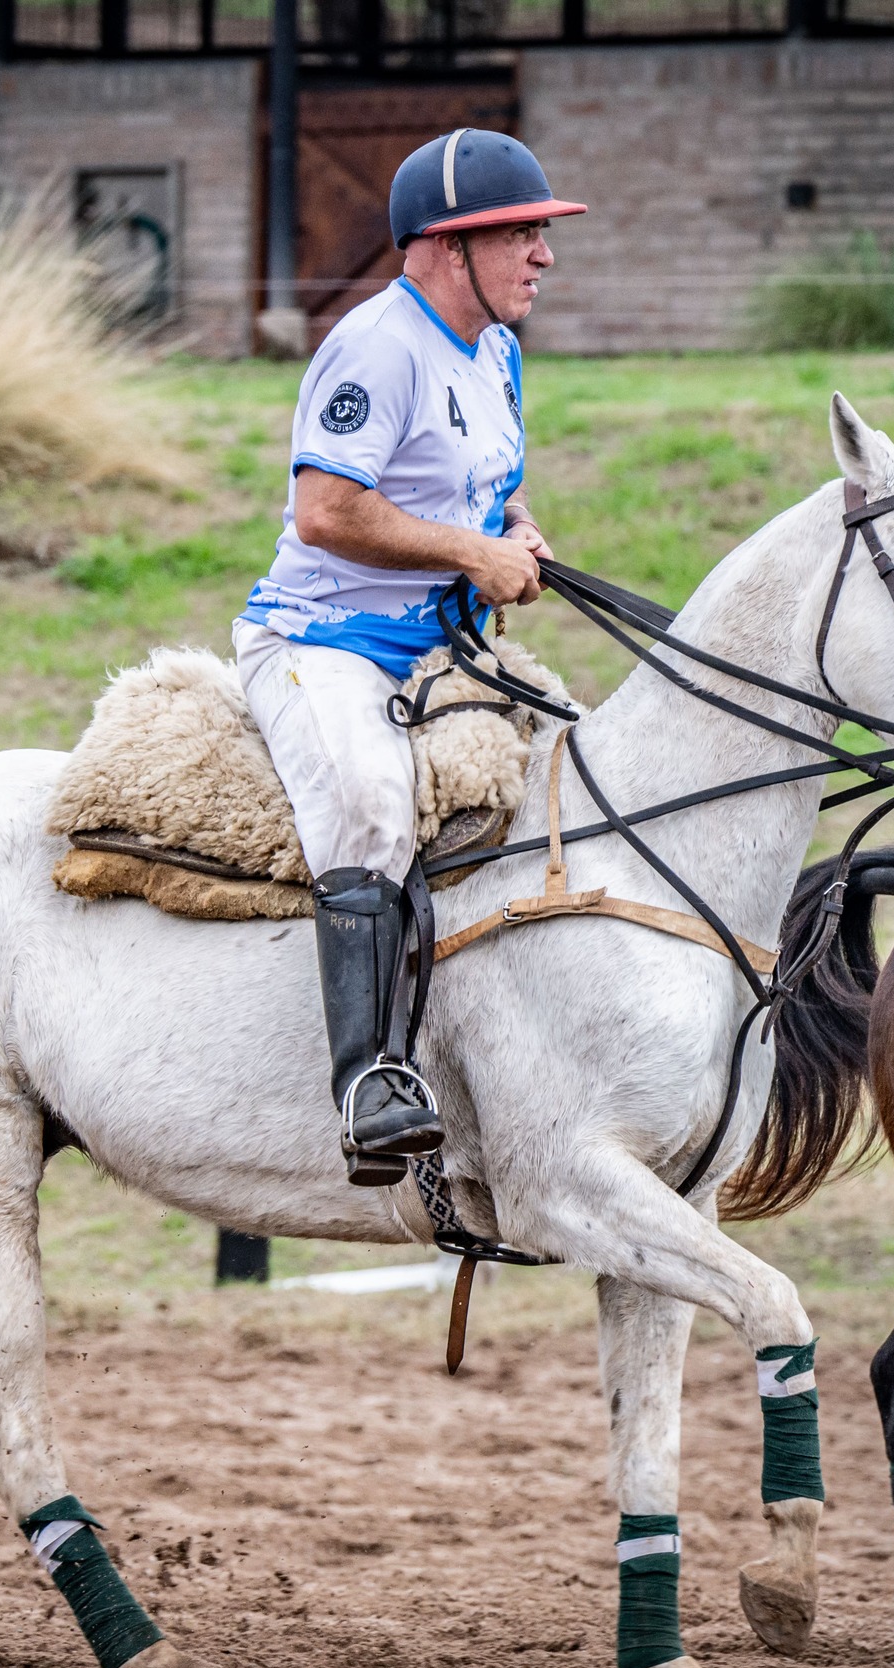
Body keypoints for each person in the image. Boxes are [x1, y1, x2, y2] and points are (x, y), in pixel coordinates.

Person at [235, 129, 586, 1187]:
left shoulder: (496, 350)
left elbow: (489, 483)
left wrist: (514, 531)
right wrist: (468, 551)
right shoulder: (373, 346)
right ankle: (369, 1082)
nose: (542, 253)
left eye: (538, 232)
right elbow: (326, 509)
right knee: (372, 804)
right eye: (519, 232)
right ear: (445, 246)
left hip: (439, 648)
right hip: (324, 641)